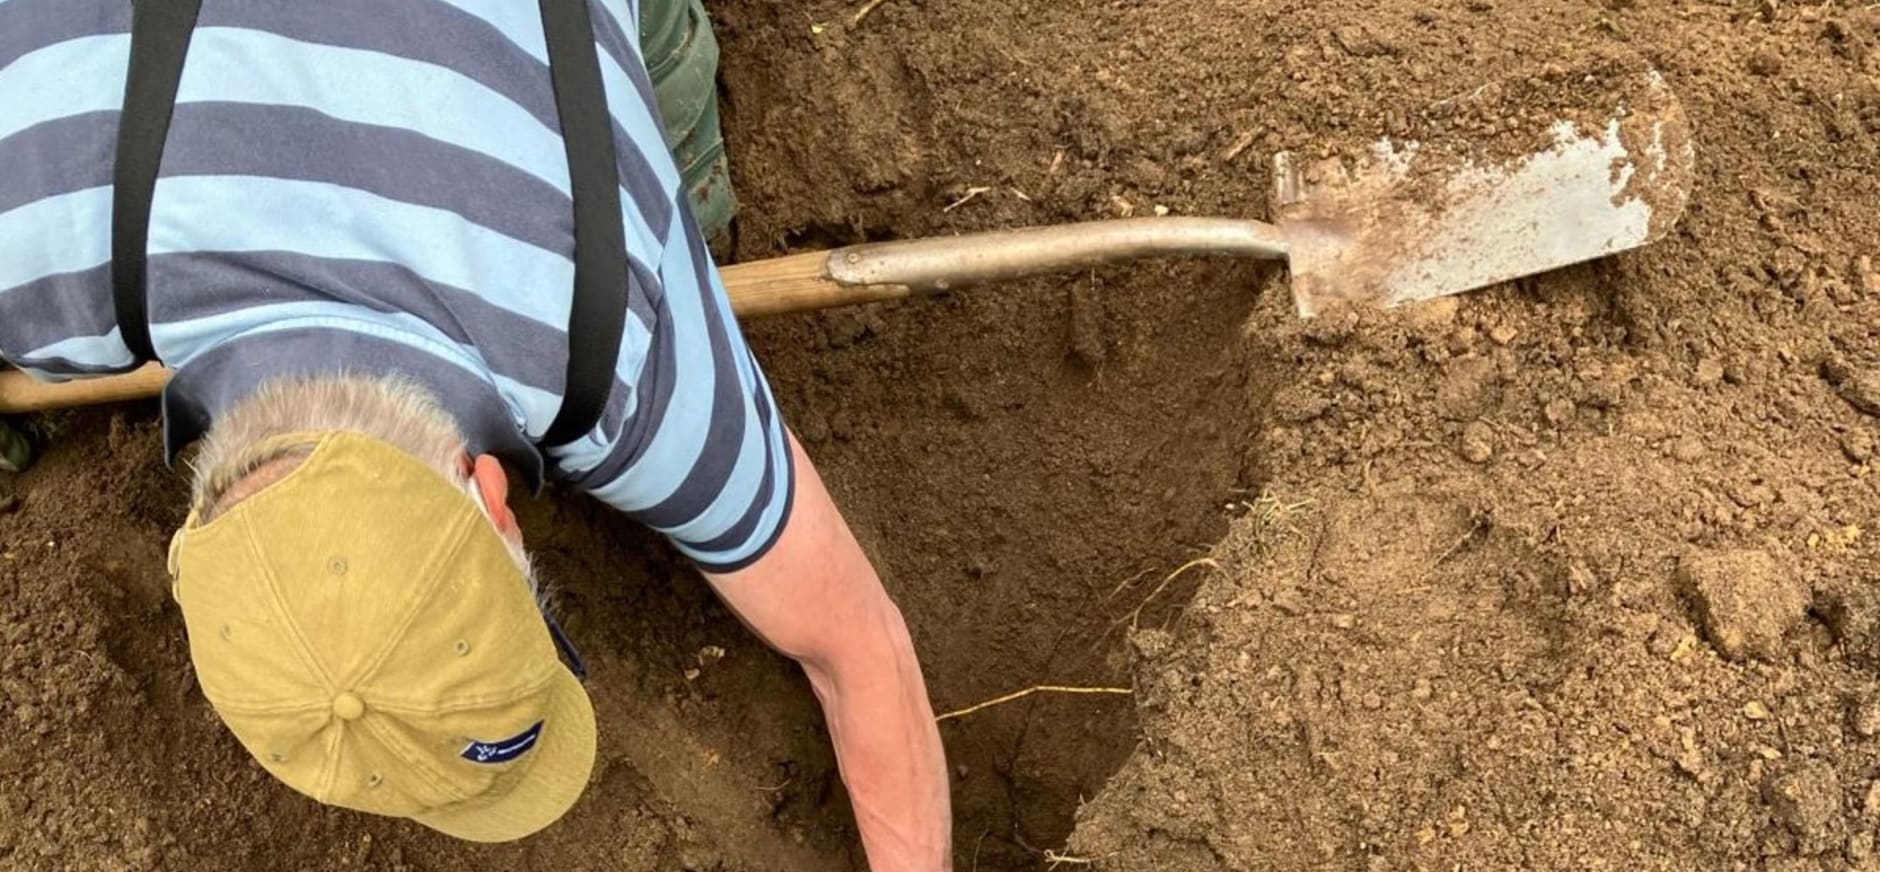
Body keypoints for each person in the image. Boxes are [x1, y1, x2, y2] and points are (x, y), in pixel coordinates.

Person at [0, 1, 952, 869]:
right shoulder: (30, 245)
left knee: (690, 190)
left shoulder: (616, 333)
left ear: (495, 494)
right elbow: (855, 652)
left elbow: (858, 647)